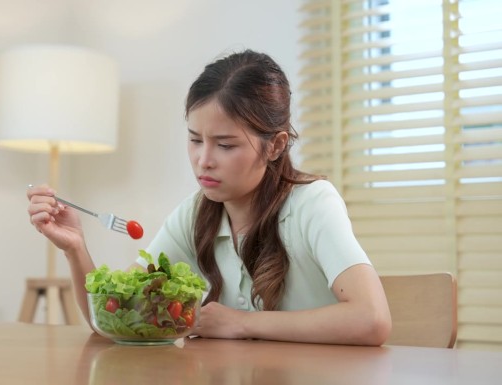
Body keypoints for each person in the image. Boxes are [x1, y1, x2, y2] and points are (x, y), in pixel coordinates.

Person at [27, 49, 392, 346]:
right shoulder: (195, 213)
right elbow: (116, 316)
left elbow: (372, 319)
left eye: (226, 145)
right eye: (195, 140)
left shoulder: (313, 204)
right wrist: (75, 248)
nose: (204, 160)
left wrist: (243, 323)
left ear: (276, 145)